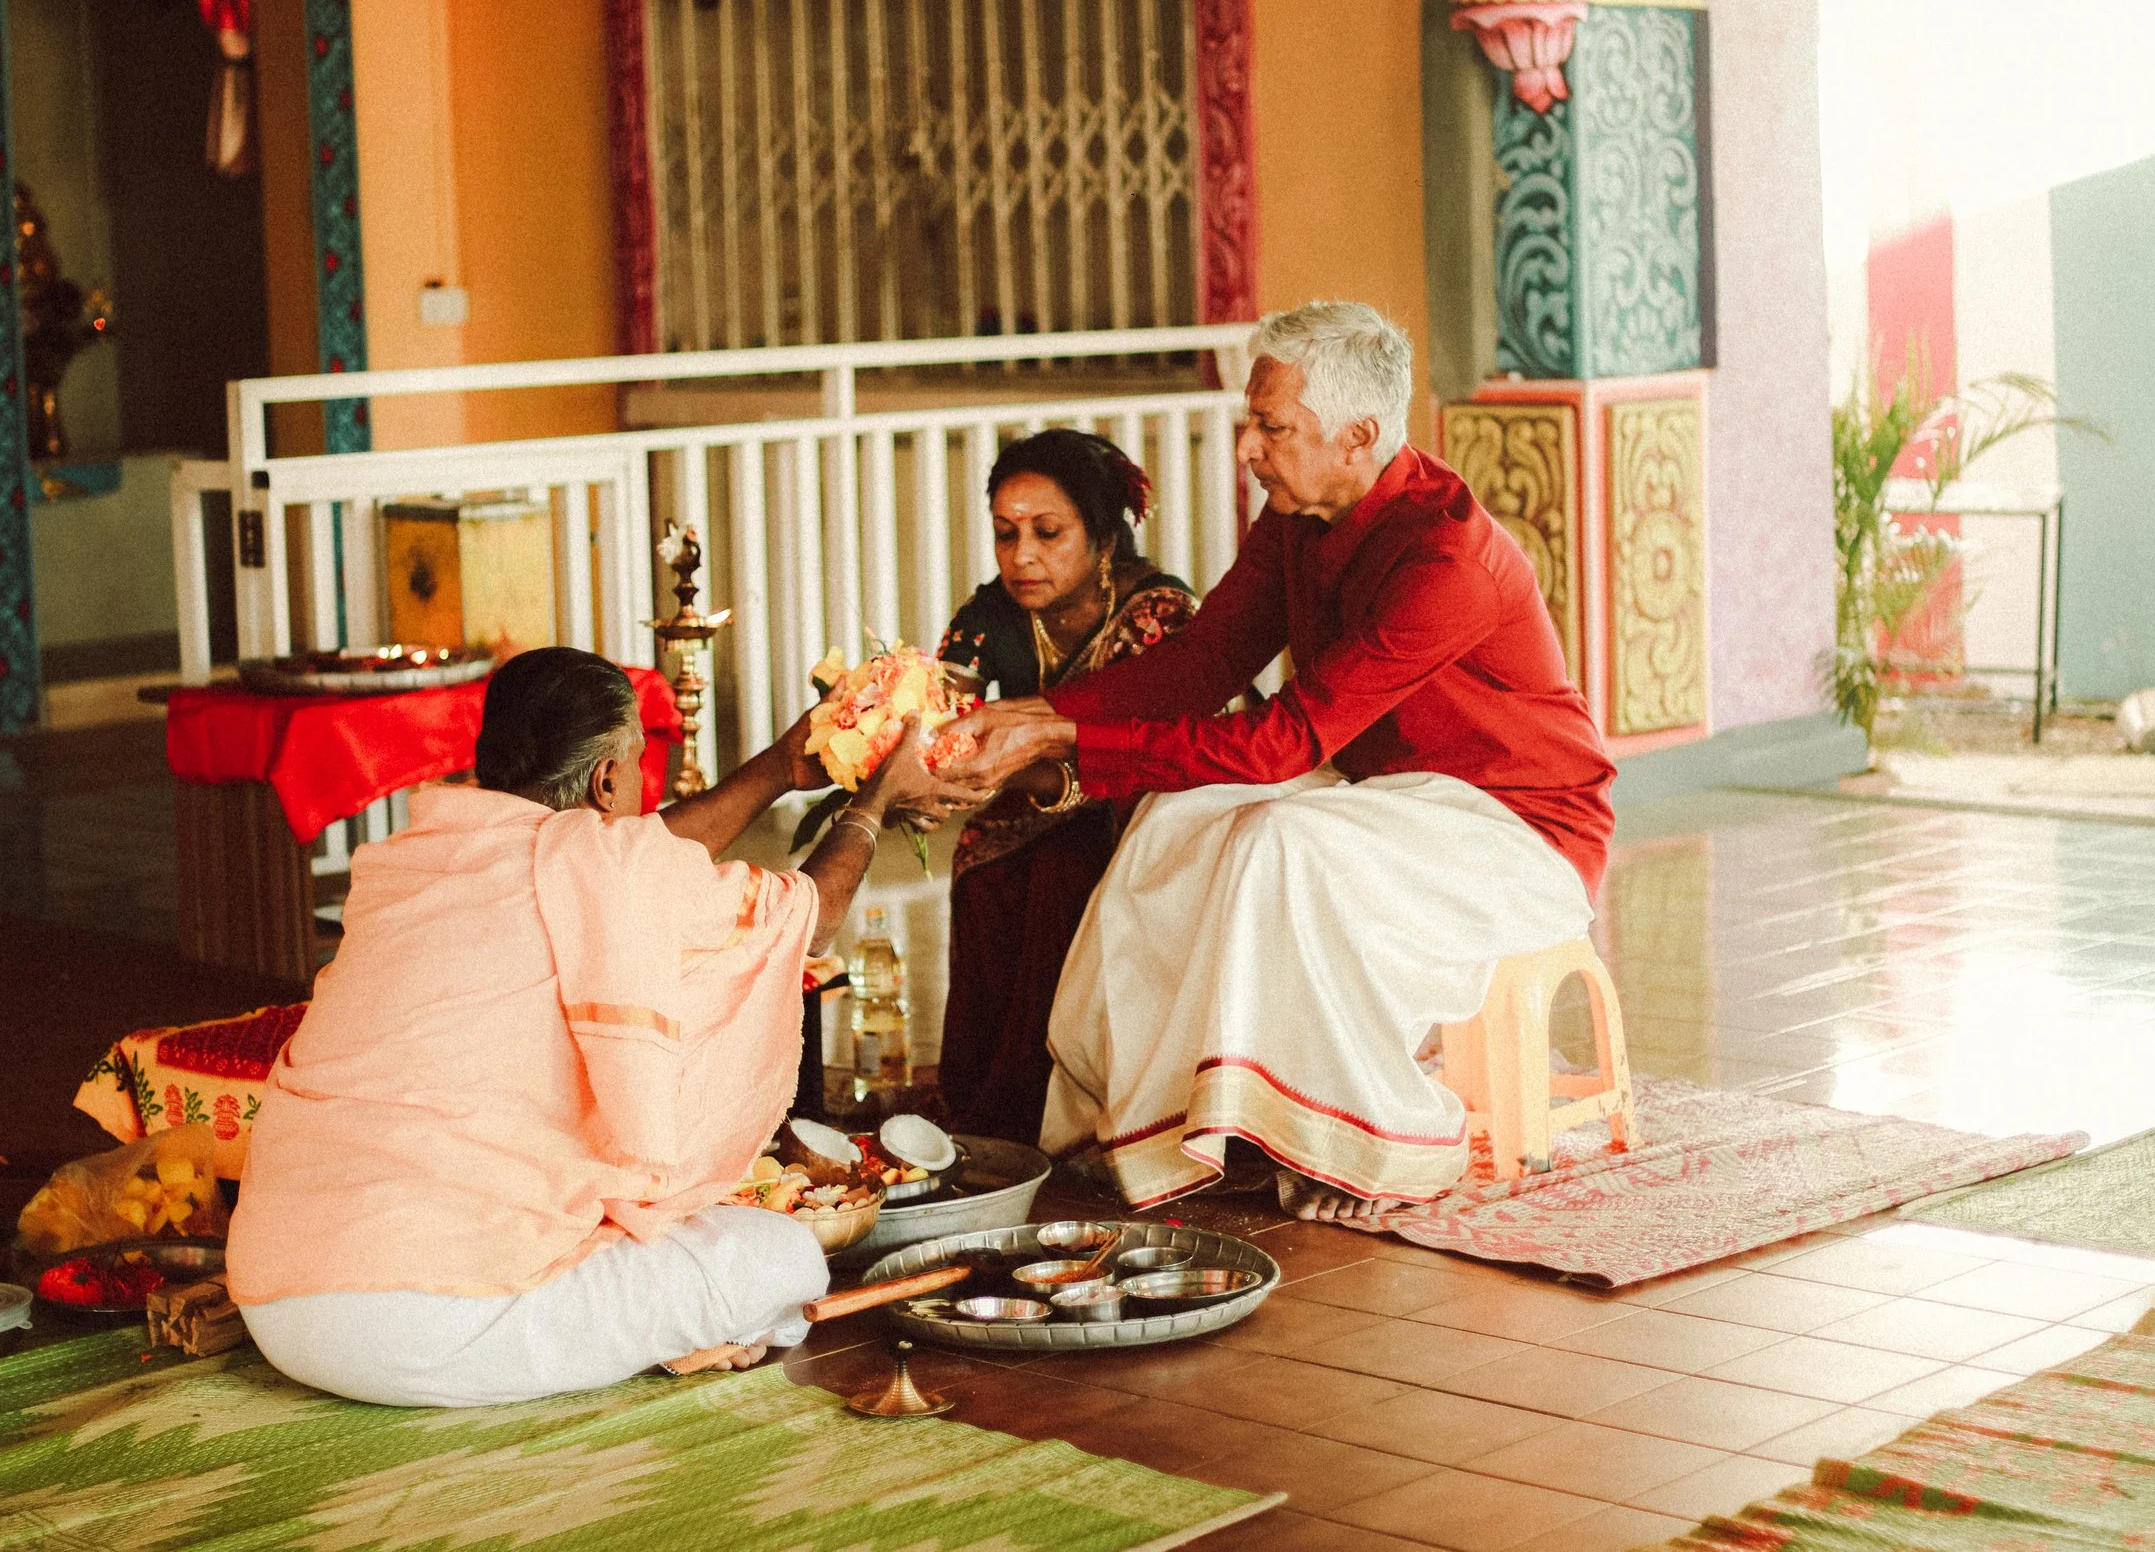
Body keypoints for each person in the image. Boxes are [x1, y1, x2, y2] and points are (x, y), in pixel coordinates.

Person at [936, 301, 1614, 1223]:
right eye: (1252, 420)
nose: (1249, 447)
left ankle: (1357, 1139)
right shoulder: (1298, 514)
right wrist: (1041, 713)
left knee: (1280, 837)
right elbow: (1205, 658)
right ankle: (1158, 1120)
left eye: (1271, 426)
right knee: (1175, 819)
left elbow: (1281, 745)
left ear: (1357, 436)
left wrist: (1067, 741)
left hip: (1522, 830)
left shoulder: (1446, 557)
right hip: (1391, 801)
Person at [228, 647, 967, 1404]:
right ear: (608, 780)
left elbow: (632, 855)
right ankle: (683, 1335)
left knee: (681, 1244)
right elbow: (810, 916)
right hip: (426, 1324)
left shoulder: (417, 857)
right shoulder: (600, 868)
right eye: (636, 767)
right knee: (782, 1263)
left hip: (275, 1298)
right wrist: (873, 805)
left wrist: (781, 765)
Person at [934, 429, 1196, 1142]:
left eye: (1048, 533)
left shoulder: (1157, 615)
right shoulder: (993, 613)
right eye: (1005, 534)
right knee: (983, 861)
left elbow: (1172, 752)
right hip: (1031, 798)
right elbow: (938, 713)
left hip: (1144, 807)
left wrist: (1034, 767)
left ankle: (1071, 1114)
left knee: (1060, 871)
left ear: (1104, 536)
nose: (1023, 556)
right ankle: (990, 1105)